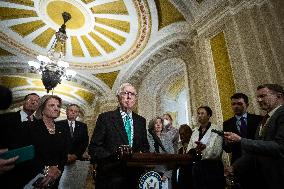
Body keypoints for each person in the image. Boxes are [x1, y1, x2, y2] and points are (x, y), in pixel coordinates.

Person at [88, 83, 149, 189]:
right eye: (125, 93)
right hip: (110, 176)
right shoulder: (105, 118)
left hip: (134, 176)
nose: (129, 97)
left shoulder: (141, 121)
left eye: (132, 94)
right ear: (118, 97)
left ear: (135, 98)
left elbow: (145, 147)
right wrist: (115, 155)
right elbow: (94, 148)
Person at [224, 84, 284, 189]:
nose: (259, 100)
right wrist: (234, 167)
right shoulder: (264, 120)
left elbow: (280, 147)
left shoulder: (281, 114)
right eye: (258, 97)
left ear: (278, 96)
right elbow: (256, 151)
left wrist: (241, 140)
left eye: (263, 96)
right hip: (264, 177)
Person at [23, 95, 70, 188]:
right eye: (52, 105)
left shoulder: (63, 130)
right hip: (32, 177)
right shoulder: (29, 127)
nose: (56, 108)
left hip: (54, 179)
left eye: (58, 106)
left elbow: (64, 155)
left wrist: (56, 170)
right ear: (42, 109)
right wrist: (46, 170)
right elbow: (26, 155)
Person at [0, 92, 40, 188]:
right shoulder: (5, 118)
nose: (34, 102)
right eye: (30, 100)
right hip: (5, 170)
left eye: (36, 101)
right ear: (24, 102)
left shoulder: (40, 125)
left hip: (29, 175)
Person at [223, 93, 262, 188]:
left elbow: (261, 143)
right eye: (233, 104)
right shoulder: (227, 123)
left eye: (239, 104)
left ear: (247, 105)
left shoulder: (258, 119)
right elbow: (227, 149)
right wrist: (227, 143)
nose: (236, 106)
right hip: (237, 165)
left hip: (257, 164)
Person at [186, 106, 224, 189]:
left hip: (213, 168)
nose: (199, 115)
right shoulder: (195, 131)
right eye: (198, 113)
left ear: (209, 115)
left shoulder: (216, 130)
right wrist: (194, 151)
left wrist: (203, 149)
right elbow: (189, 149)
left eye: (202, 113)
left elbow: (217, 152)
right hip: (197, 168)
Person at [57, 104, 89, 188]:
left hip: (76, 159)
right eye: (71, 110)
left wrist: (75, 155)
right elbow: (56, 141)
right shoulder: (58, 124)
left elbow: (85, 142)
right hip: (60, 159)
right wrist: (65, 155)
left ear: (78, 114)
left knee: (73, 184)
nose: (73, 113)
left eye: (76, 111)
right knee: (59, 183)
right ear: (67, 112)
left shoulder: (83, 126)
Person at [147, 116, 174, 189]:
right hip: (151, 171)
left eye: (160, 123)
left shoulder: (167, 137)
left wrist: (167, 174)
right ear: (152, 125)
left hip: (165, 171)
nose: (158, 125)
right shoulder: (147, 138)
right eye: (156, 123)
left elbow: (172, 157)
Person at [174, 124, 192, 189]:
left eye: (184, 134)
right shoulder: (180, 150)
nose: (182, 136)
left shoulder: (194, 148)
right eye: (180, 134)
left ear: (189, 134)